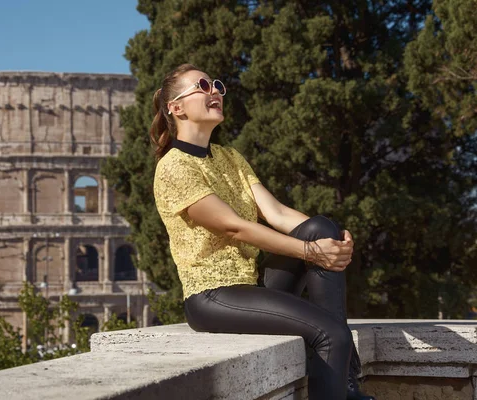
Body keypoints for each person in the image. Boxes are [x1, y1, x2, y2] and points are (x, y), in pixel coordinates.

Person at [152, 64, 376, 400]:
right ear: (176, 107)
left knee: (319, 227)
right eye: (202, 85)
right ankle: (346, 389)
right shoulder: (173, 167)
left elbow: (278, 213)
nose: (215, 91)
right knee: (331, 334)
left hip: (251, 286)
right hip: (213, 296)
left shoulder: (230, 158)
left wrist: (333, 243)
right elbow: (235, 226)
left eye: (217, 84)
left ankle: (345, 386)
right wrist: (311, 252)